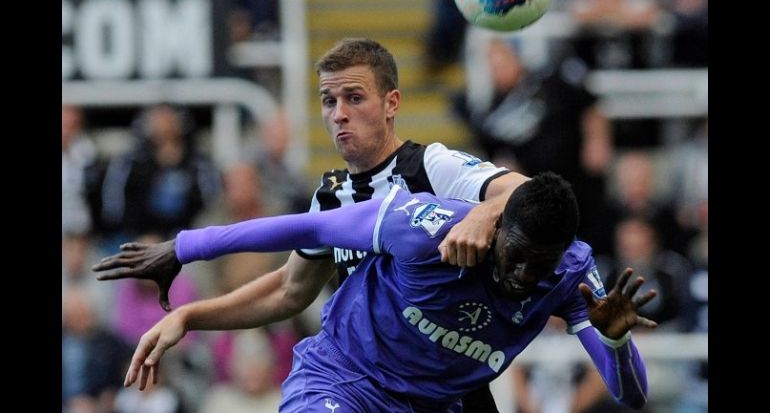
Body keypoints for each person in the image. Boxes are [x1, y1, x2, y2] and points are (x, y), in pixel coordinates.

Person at [95, 38, 528, 411]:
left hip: (448, 391)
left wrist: (485, 213)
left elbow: (529, 194)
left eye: (354, 98)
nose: (339, 113)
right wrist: (189, 316)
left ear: (391, 103)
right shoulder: (331, 195)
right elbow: (289, 289)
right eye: (328, 101)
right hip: (364, 387)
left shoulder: (431, 166)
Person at [113, 173, 657, 412]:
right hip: (345, 379)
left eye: (539, 266)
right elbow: (307, 230)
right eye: (514, 254)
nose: (521, 274)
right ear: (495, 228)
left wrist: (614, 345)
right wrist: (185, 247)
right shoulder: (422, 225)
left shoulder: (573, 276)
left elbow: (631, 397)